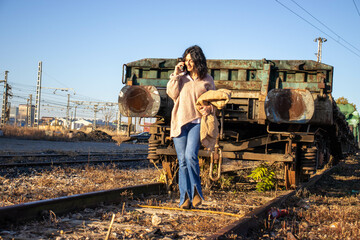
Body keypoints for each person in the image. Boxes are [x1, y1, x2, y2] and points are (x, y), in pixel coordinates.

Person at [166, 45, 215, 209]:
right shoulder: (181, 77)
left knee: (190, 156)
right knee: (182, 161)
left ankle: (196, 193)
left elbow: (214, 100)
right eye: (185, 60)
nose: (187, 63)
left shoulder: (207, 79)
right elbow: (172, 94)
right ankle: (184, 199)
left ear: (198, 60)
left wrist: (209, 109)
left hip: (197, 122)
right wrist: (176, 74)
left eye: (190, 60)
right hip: (179, 122)